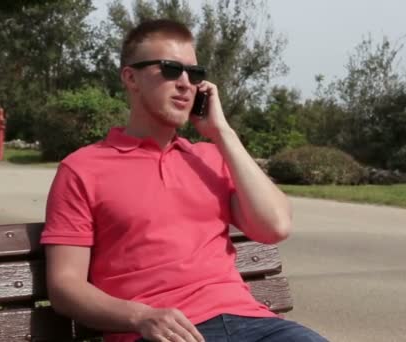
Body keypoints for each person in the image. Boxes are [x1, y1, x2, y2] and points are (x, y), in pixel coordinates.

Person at [40, 18, 328, 342]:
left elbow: (275, 226)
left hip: (254, 324)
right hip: (162, 334)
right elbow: (65, 285)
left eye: (195, 74)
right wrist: (140, 316)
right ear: (130, 77)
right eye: (170, 69)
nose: (185, 83)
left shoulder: (209, 158)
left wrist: (222, 133)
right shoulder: (83, 169)